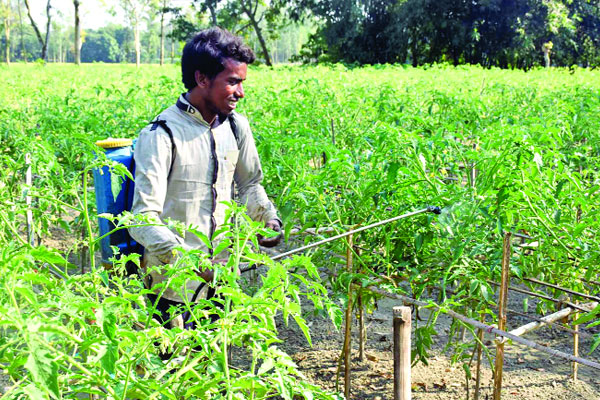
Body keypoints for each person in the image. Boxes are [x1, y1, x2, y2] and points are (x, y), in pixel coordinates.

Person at [129, 27, 282, 330]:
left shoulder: (236, 127)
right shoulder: (161, 134)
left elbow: (250, 184)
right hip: (173, 289)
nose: (241, 92)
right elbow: (142, 218)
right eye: (233, 82)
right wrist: (193, 265)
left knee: (215, 364)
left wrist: (268, 220)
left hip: (223, 283)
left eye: (242, 82)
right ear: (202, 79)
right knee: (175, 370)